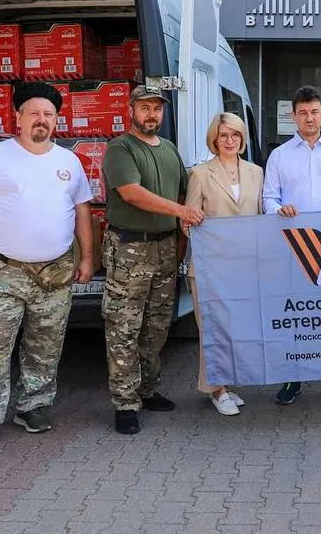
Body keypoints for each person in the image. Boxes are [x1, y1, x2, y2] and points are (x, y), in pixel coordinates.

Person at [0, 82, 95, 456]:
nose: (41, 120)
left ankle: (33, 406)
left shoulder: (69, 162)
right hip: (3, 271)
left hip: (55, 273)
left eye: (48, 114)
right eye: (34, 113)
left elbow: (83, 211)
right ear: (16, 117)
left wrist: (86, 258)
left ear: (56, 120)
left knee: (46, 345)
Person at [102, 85, 204, 435]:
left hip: (164, 249)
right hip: (130, 249)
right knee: (124, 328)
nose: (151, 115)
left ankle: (147, 390)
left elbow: (182, 191)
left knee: (157, 327)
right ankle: (125, 403)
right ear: (131, 110)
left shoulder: (170, 150)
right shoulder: (120, 148)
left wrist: (180, 241)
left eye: (157, 109)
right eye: (144, 107)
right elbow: (132, 194)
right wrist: (182, 211)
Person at [262, 85, 321, 405]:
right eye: (302, 113)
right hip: (296, 247)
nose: (309, 118)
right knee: (299, 316)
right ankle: (293, 379)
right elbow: (268, 198)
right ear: (293, 116)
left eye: (314, 111)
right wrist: (279, 210)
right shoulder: (279, 156)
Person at [183, 112, 263, 415]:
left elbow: (260, 216)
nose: (229, 141)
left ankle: (226, 383)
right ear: (214, 140)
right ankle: (216, 389)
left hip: (243, 267)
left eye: (235, 135)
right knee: (212, 329)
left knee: (235, 328)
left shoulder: (256, 172)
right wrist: (195, 220)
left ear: (242, 139)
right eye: (223, 136)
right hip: (209, 267)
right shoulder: (201, 174)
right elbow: (186, 222)